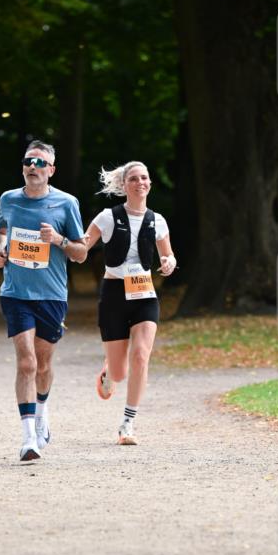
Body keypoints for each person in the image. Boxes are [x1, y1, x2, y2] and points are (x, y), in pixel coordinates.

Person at [0, 140, 86, 462]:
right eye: (29, 161)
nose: (33, 166)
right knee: (27, 362)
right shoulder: (9, 199)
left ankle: (43, 412)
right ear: (23, 167)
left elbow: (82, 252)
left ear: (51, 170)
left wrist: (58, 240)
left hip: (52, 294)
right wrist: (0, 249)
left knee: (44, 365)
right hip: (16, 293)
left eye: (40, 162)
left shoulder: (66, 203)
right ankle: (28, 437)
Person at [84, 160, 176, 445]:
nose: (140, 183)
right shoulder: (107, 218)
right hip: (113, 293)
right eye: (134, 178)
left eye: (145, 178)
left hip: (144, 295)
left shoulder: (157, 220)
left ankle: (127, 423)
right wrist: (62, 243)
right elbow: (81, 246)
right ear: (124, 186)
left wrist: (169, 262)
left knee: (141, 356)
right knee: (120, 372)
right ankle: (110, 371)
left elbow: (169, 255)